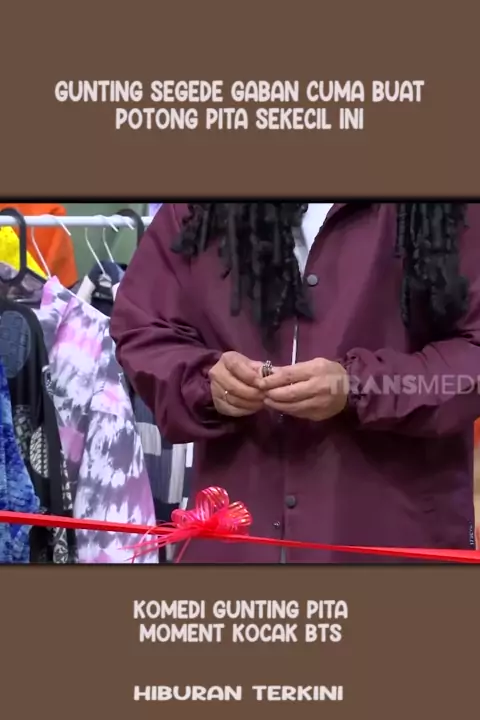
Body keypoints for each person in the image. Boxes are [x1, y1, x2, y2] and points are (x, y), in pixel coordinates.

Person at [110, 202, 480, 563]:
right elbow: (144, 329)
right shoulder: (199, 207)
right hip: (238, 544)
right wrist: (205, 380)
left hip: (392, 539)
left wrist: (360, 386)